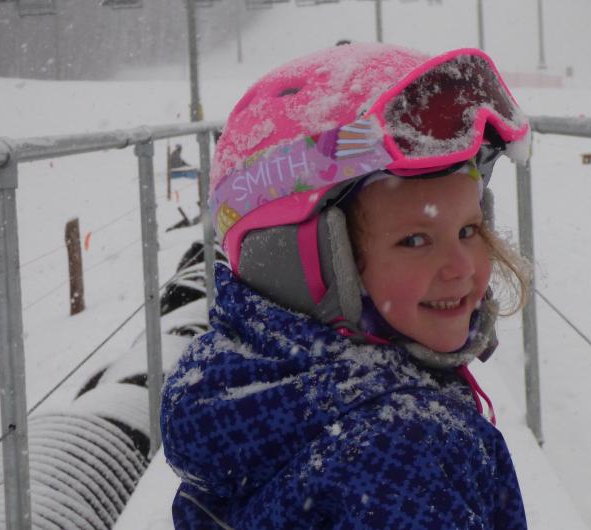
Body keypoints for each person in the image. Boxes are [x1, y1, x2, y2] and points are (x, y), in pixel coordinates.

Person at [161, 42, 532, 529]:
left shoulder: (239, 400)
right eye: (415, 240)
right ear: (298, 262)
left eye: (468, 229)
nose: (461, 266)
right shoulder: (404, 456)